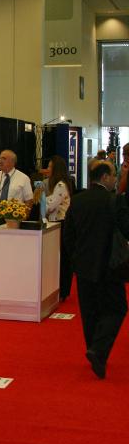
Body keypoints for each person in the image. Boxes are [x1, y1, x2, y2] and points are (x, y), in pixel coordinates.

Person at [64, 161, 129, 379]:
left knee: (89, 311)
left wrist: (75, 259)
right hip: (110, 265)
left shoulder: (77, 200)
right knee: (117, 307)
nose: (114, 179)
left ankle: (95, 351)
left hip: (83, 266)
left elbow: (68, 236)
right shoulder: (114, 201)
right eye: (113, 176)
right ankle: (98, 350)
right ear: (105, 177)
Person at [0, 149, 33, 278]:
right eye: (0, 158)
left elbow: (29, 200)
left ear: (12, 161)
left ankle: (8, 276)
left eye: (4, 158)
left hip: (12, 218)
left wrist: (24, 216)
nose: (0, 161)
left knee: (8, 250)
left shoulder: (23, 178)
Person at [44, 155, 72, 299]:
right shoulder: (58, 184)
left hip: (62, 223)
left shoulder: (60, 185)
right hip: (58, 222)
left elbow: (50, 206)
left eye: (49, 167)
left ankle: (63, 290)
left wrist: (43, 199)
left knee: (62, 259)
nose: (47, 169)